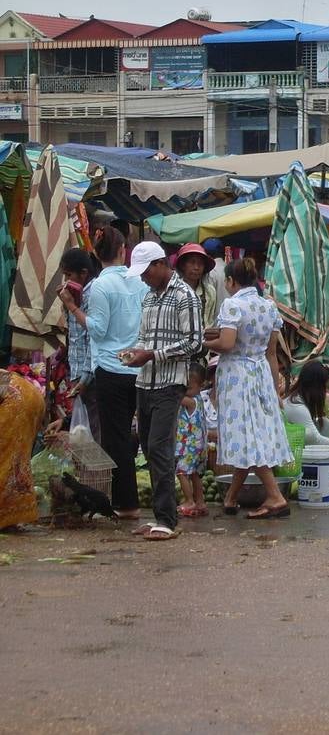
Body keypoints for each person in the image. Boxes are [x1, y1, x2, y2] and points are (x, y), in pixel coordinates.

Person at [60, 226, 145, 522]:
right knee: (147, 436)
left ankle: (127, 504)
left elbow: (96, 329)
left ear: (96, 255)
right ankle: (159, 503)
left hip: (110, 369)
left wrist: (73, 308)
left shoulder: (98, 288)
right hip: (140, 365)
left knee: (117, 439)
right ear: (123, 250)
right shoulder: (140, 282)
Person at [122, 241, 203, 540]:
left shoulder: (185, 297)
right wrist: (136, 352)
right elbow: (144, 337)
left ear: (159, 265)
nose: (143, 278)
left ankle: (167, 519)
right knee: (148, 445)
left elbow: (193, 343)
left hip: (170, 383)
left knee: (159, 447)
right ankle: (159, 515)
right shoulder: (148, 298)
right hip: (145, 381)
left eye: (146, 272)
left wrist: (152, 355)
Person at [202, 257, 291, 520]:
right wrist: (275, 389)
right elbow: (272, 353)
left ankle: (275, 496)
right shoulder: (268, 306)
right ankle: (231, 498)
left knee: (248, 435)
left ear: (230, 281)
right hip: (261, 373)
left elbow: (227, 343)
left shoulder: (232, 305)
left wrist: (203, 342)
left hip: (238, 375)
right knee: (251, 432)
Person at [57, 247, 101, 439]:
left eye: (69, 275)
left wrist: (84, 379)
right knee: (82, 430)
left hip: (89, 376)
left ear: (83, 273)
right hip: (78, 375)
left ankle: (97, 470)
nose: (66, 280)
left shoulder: (93, 295)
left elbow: (94, 338)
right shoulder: (75, 294)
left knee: (93, 429)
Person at [0, 370, 46, 530]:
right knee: (15, 462)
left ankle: (6, 518)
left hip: (16, 399)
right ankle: (10, 519)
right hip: (28, 394)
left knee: (7, 461)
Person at [283, 361, 329, 447]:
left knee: (326, 423)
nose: (326, 393)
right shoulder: (297, 407)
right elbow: (315, 439)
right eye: (324, 388)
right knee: (326, 425)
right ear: (316, 388)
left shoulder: (298, 400)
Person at [175, 363, 209, 519]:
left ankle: (189, 500)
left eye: (187, 387)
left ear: (201, 386)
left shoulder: (190, 401)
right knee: (195, 474)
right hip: (199, 446)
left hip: (188, 446)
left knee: (181, 472)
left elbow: (175, 397)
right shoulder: (199, 399)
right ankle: (200, 502)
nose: (184, 390)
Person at [174, 242, 217, 331]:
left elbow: (209, 320)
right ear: (182, 265)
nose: (196, 267)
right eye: (192, 262)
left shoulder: (209, 291)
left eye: (200, 263)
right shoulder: (174, 290)